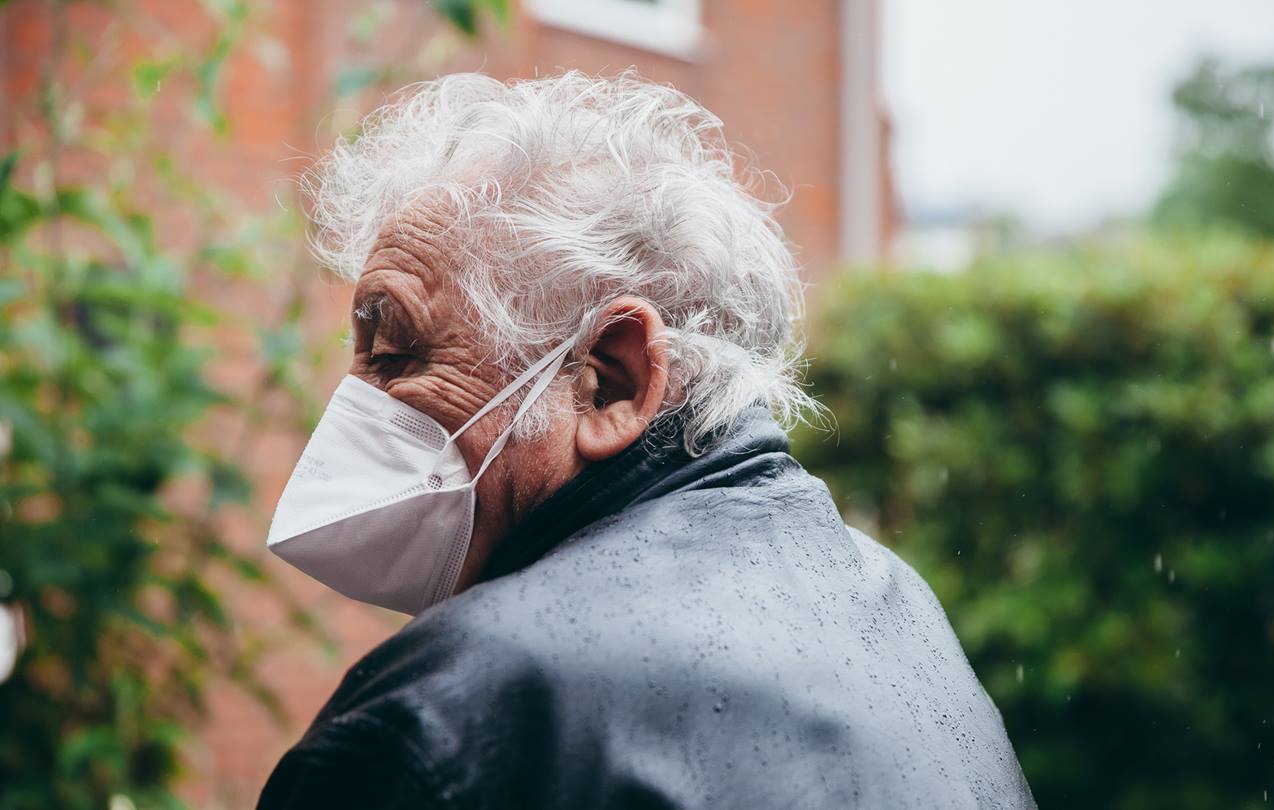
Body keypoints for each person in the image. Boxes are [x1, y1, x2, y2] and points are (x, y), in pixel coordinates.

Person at [258, 71, 1035, 810]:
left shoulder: (461, 712)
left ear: (610, 381)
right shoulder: (887, 605)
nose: (354, 406)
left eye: (395, 353)